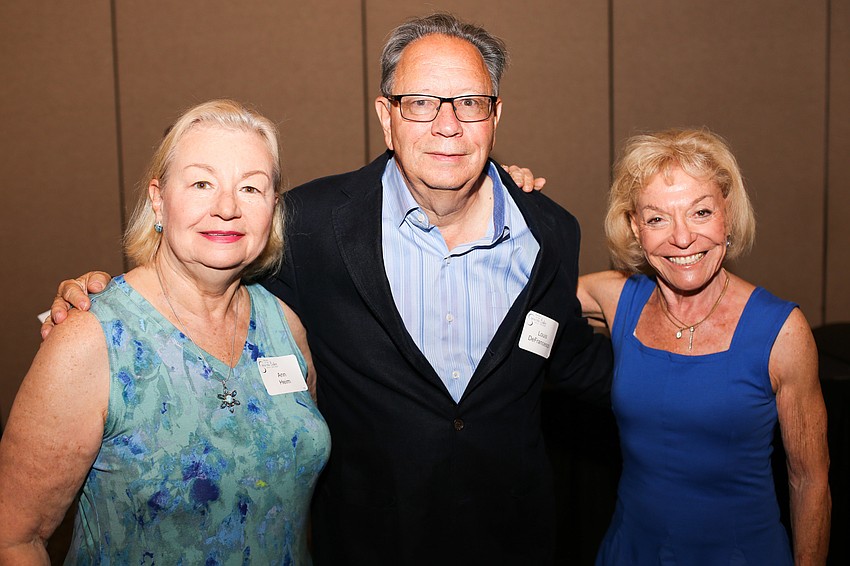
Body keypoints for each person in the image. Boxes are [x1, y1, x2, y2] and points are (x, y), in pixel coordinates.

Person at [42, 13, 613, 564]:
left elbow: (571, 362)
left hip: (512, 545)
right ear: (386, 117)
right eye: (420, 104)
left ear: (496, 116)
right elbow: (202, 265)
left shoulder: (550, 229)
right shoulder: (311, 226)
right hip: (366, 546)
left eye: (470, 103)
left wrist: (685, 349)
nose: (448, 125)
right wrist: (99, 295)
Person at [0, 99, 331, 564]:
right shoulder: (93, 340)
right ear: (158, 199)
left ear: (272, 207)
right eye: (201, 183)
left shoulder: (285, 325)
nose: (227, 208)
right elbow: (14, 538)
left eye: (252, 189)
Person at [577, 128, 831, 564]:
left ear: (727, 215)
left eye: (700, 212)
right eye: (657, 218)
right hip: (630, 552)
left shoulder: (782, 332)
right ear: (635, 228)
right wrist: (497, 197)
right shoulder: (618, 299)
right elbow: (519, 289)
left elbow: (810, 481)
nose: (681, 238)